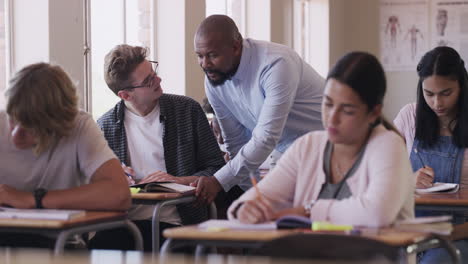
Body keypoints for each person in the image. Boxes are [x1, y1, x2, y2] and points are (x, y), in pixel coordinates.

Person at [227, 52, 414, 228]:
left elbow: (377, 213)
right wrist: (245, 208)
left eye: (347, 110)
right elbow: (257, 197)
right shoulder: (308, 146)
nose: (332, 118)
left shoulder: (388, 145)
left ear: (374, 112)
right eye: (328, 104)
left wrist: (308, 211)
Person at [89, 44, 225, 251]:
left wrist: (179, 181)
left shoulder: (187, 110)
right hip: (124, 222)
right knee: (95, 248)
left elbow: (217, 169)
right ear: (126, 95)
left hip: (179, 221)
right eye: (148, 81)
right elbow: (97, 188)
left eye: (154, 73)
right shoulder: (105, 126)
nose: (158, 80)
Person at [193, 15, 325, 204]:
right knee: (274, 216)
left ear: (236, 47)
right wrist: (253, 196)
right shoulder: (214, 81)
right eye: (199, 56)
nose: (205, 64)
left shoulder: (276, 64)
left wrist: (218, 181)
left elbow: (266, 137)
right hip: (283, 149)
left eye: (213, 55)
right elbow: (236, 143)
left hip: (326, 145)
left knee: (315, 218)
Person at [0, 63, 131, 247]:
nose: (15, 135)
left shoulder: (79, 126)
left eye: (30, 127)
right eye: (13, 119)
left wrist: (32, 200)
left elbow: (119, 194)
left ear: (58, 124)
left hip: (57, 243)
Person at [394, 46, 468, 263]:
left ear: (462, 86)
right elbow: (380, 173)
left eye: (446, 93)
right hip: (410, 228)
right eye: (429, 94)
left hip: (459, 232)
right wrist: (408, 181)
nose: (437, 103)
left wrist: (452, 233)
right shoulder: (409, 116)